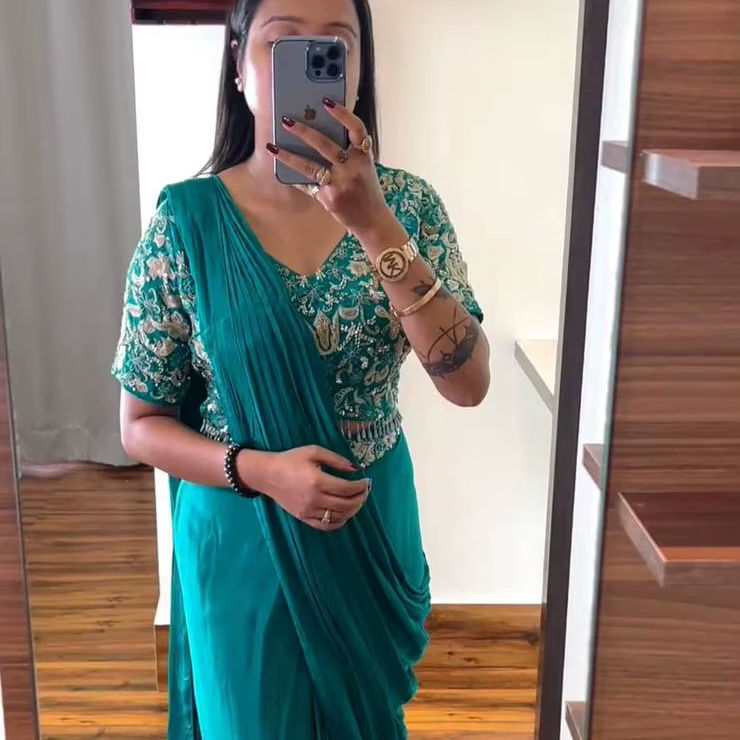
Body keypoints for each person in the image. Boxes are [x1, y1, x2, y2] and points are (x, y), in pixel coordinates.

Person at [112, 0, 490, 737]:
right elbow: (139, 425)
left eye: (334, 49)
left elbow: (468, 384)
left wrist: (374, 225)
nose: (313, 66)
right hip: (241, 530)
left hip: (370, 523)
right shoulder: (185, 225)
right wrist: (261, 471)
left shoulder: (408, 207)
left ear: (358, 71)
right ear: (238, 65)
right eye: (283, 44)